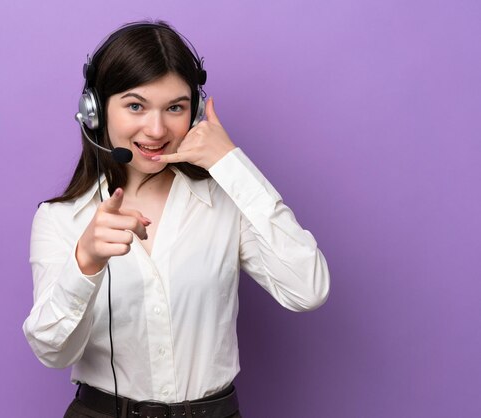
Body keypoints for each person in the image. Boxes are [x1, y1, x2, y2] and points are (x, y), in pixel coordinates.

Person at [22, 20, 330, 418]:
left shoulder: (226, 203)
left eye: (175, 108)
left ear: (195, 110)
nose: (157, 129)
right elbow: (53, 352)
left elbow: (308, 289)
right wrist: (86, 263)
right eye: (136, 105)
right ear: (95, 111)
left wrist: (230, 163)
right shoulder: (60, 218)